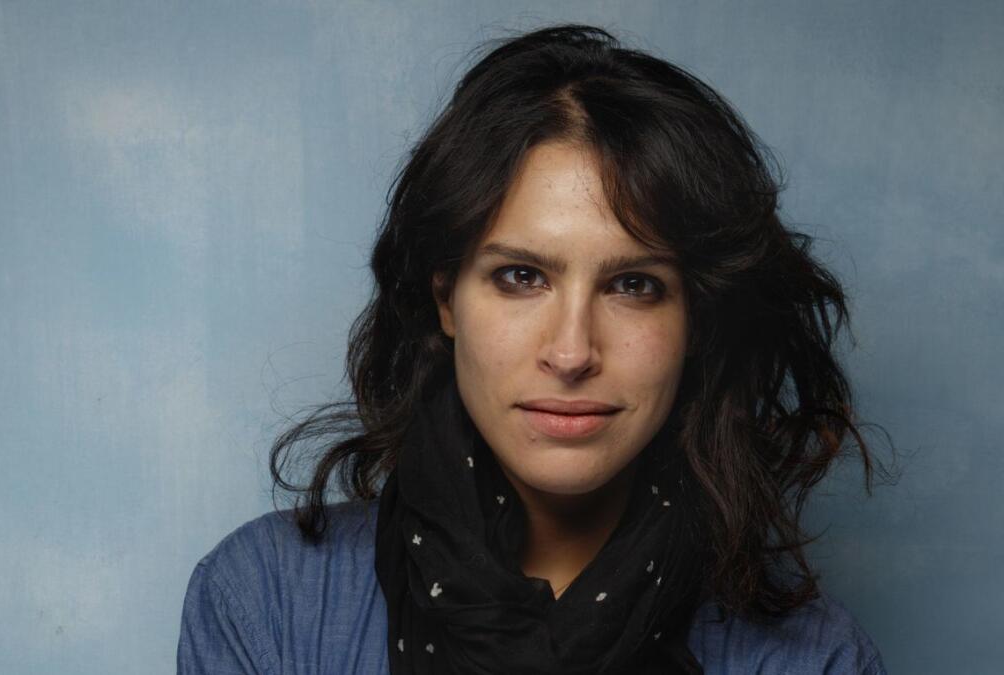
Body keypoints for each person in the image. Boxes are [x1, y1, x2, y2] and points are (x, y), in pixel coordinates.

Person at [178, 24, 891, 674]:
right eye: (522, 276)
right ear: (446, 298)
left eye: (634, 284)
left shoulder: (811, 659)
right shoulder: (268, 600)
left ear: (696, 320)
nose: (572, 350)